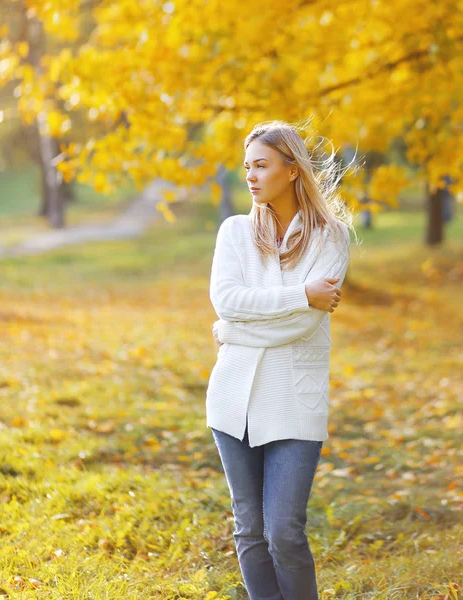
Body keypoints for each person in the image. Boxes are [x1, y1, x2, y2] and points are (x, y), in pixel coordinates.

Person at [206, 120, 357, 600]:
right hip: (233, 399)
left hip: (293, 402)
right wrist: (301, 295)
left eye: (262, 165)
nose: (250, 176)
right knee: (249, 530)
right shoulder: (233, 231)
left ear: (292, 170)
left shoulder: (330, 237)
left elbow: (302, 326)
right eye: (247, 166)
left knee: (284, 533)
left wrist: (233, 332)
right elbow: (226, 300)